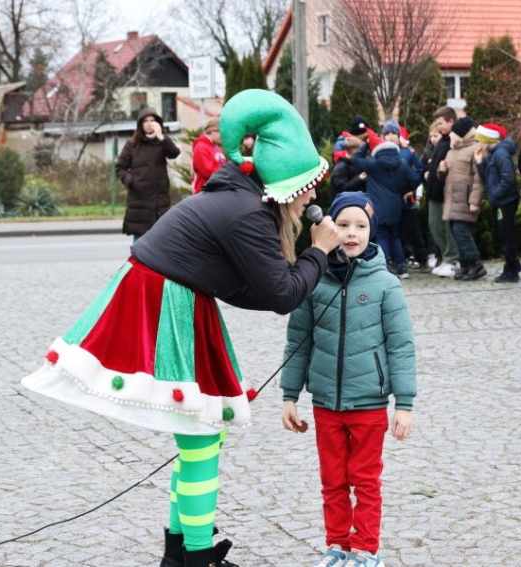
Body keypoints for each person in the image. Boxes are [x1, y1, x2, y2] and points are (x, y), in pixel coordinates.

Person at [22, 90, 343, 567]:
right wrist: (319, 251)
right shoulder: (246, 211)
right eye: (309, 183)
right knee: (200, 433)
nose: (314, 194)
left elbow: (252, 289)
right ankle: (196, 558)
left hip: (179, 297)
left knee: (200, 433)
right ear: (287, 182)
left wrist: (305, 264)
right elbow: (280, 296)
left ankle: (183, 551)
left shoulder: (238, 199)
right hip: (161, 302)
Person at [280, 191, 416, 567]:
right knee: (333, 482)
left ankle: (365, 549)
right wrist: (289, 395)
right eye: (343, 225)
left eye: (360, 226)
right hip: (325, 404)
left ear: (372, 232)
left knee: (365, 480)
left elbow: (402, 346)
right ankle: (337, 545)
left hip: (369, 404)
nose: (351, 233)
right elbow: (298, 341)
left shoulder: (386, 284)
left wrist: (403, 404)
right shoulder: (313, 280)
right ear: (329, 229)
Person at [352, 137, 418, 278]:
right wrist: (403, 189)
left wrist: (367, 143)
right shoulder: (403, 164)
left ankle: (384, 267)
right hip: (395, 205)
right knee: (395, 236)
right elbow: (414, 180)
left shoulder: (373, 164)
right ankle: (402, 267)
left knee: (381, 236)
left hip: (378, 206)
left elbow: (356, 159)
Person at [116, 107, 181, 241]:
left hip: (160, 200)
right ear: (140, 124)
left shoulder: (161, 142)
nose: (149, 123)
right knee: (140, 241)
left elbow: (174, 153)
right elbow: (120, 168)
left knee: (161, 240)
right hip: (139, 200)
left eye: (152, 120)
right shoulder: (132, 145)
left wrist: (162, 137)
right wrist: (132, 182)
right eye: (145, 121)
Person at [438, 116, 487, 281]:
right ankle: (465, 265)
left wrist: (475, 201)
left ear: (461, 134)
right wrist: (442, 170)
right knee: (456, 233)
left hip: (465, 199)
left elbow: (479, 178)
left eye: (453, 133)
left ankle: (476, 265)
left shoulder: (475, 149)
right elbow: (443, 177)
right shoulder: (452, 151)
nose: (450, 135)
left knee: (461, 232)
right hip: (452, 199)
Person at [475, 123, 521, 282]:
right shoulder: (492, 154)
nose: (478, 144)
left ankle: (512, 270)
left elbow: (508, 178)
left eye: (479, 140)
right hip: (500, 201)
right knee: (502, 235)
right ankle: (512, 265)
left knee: (505, 235)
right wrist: (480, 162)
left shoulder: (500, 154)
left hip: (505, 201)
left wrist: (495, 196)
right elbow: (488, 178)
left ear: (488, 139)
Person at [383, 120, 428, 271]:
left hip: (407, 199)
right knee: (395, 232)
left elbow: (420, 169)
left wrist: (412, 189)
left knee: (412, 229)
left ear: (398, 135)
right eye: (387, 133)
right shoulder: (379, 152)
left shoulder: (407, 152)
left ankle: (422, 259)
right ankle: (398, 259)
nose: (390, 136)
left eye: (393, 133)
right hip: (390, 200)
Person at [426, 107, 460, 277]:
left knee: (448, 228)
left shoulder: (455, 140)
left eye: (441, 123)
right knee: (435, 225)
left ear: (450, 122)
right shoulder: (444, 140)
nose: (438, 127)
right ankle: (446, 257)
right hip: (435, 191)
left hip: (447, 192)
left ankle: (452, 259)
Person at [421, 127, 443, 268]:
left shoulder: (445, 149)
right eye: (431, 136)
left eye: (436, 135)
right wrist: (424, 176)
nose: (433, 138)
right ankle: (432, 253)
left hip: (443, 191)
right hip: (431, 192)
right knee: (432, 225)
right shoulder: (427, 153)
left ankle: (444, 254)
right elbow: (421, 169)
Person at [191, 118, 226, 194]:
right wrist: (226, 172)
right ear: (213, 131)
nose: (223, 136)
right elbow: (208, 171)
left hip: (217, 191)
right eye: (221, 132)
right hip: (204, 193)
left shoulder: (215, 147)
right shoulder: (200, 147)